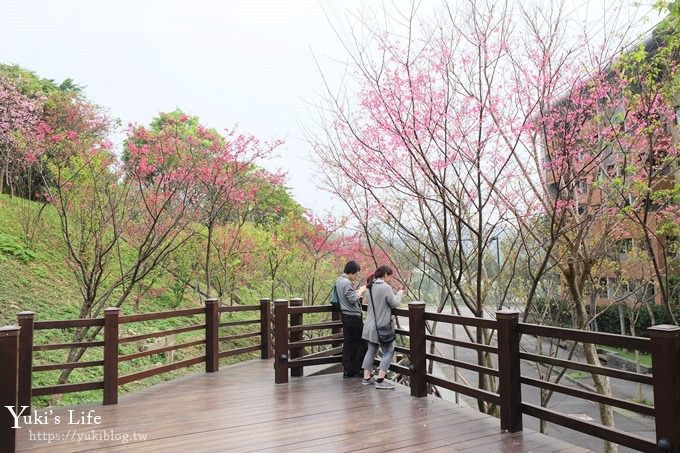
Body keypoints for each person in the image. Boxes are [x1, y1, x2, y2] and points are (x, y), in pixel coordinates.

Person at [361, 265, 404, 389]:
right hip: (381, 327)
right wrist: (399, 294)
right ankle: (380, 380)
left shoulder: (370, 286)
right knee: (389, 350)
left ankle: (366, 377)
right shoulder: (385, 287)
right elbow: (395, 303)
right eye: (389, 276)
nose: (389, 278)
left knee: (371, 351)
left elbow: (365, 302)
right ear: (385, 275)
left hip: (369, 326)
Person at [336, 260, 367, 378]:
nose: (357, 276)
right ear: (352, 272)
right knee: (363, 342)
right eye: (356, 273)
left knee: (349, 342)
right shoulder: (346, 283)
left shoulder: (339, 280)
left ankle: (348, 369)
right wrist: (361, 291)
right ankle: (358, 369)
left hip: (345, 315)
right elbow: (352, 299)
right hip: (353, 317)